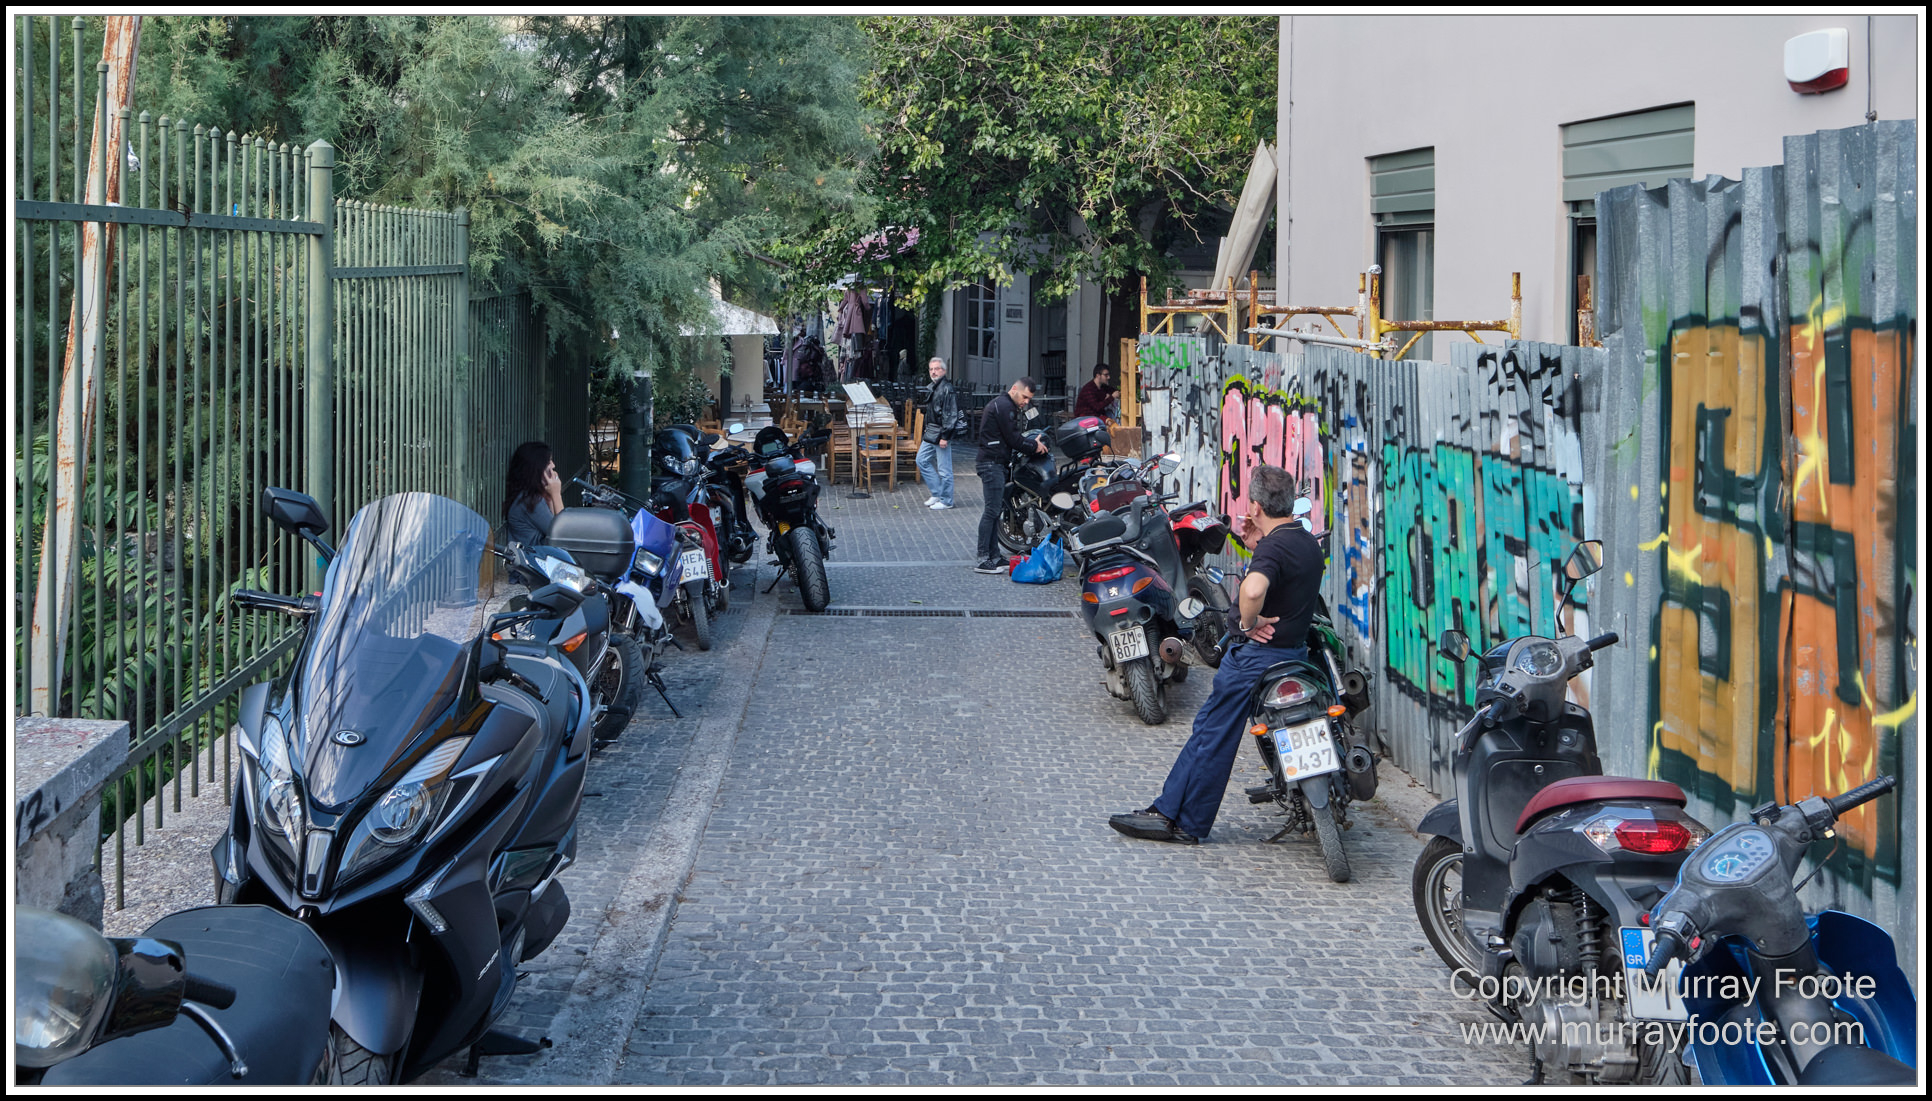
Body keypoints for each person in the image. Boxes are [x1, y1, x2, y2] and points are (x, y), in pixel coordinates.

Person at [1108, 465, 1325, 844]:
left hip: (1256, 658)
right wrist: (1257, 545)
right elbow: (1285, 579)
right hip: (1294, 654)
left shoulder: (1274, 548)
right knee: (1214, 731)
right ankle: (1175, 812)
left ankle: (1178, 819)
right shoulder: (1305, 542)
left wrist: (1248, 621)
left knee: (1211, 732)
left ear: (1255, 506)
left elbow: (1254, 589)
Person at [973, 376, 1049, 574]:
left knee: (995, 510)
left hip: (993, 462)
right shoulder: (1005, 406)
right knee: (992, 510)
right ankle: (983, 558)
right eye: (1024, 397)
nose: (1026, 402)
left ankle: (994, 556)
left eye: (1029, 399)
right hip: (991, 463)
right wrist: (1034, 446)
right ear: (1014, 388)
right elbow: (1013, 439)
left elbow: (1011, 438)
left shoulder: (1002, 405)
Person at [917, 357, 964, 510]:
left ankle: (947, 501)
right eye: (931, 369)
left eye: (936, 369)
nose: (933, 372)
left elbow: (950, 415)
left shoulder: (947, 388)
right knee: (921, 460)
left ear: (944, 371)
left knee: (944, 469)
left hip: (941, 432)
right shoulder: (935, 387)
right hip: (932, 431)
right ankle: (938, 493)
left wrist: (945, 436)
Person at [503, 441, 565, 546]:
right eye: (548, 462)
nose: (553, 465)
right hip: (533, 555)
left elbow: (552, 522)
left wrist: (550, 498)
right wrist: (556, 494)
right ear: (536, 468)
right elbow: (563, 535)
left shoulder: (527, 495)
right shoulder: (530, 501)